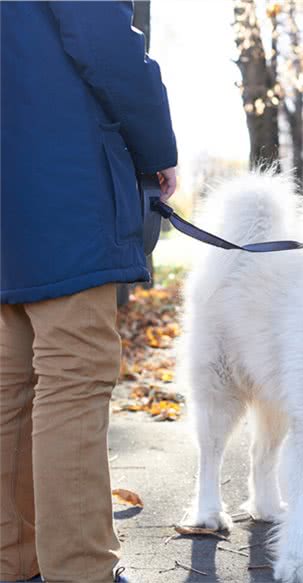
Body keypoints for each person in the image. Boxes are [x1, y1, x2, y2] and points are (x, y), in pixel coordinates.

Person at [0, 2, 177, 582]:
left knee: (9, 380)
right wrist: (158, 148)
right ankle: (81, 572)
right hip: (58, 172)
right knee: (74, 371)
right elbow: (100, 34)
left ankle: (15, 564)